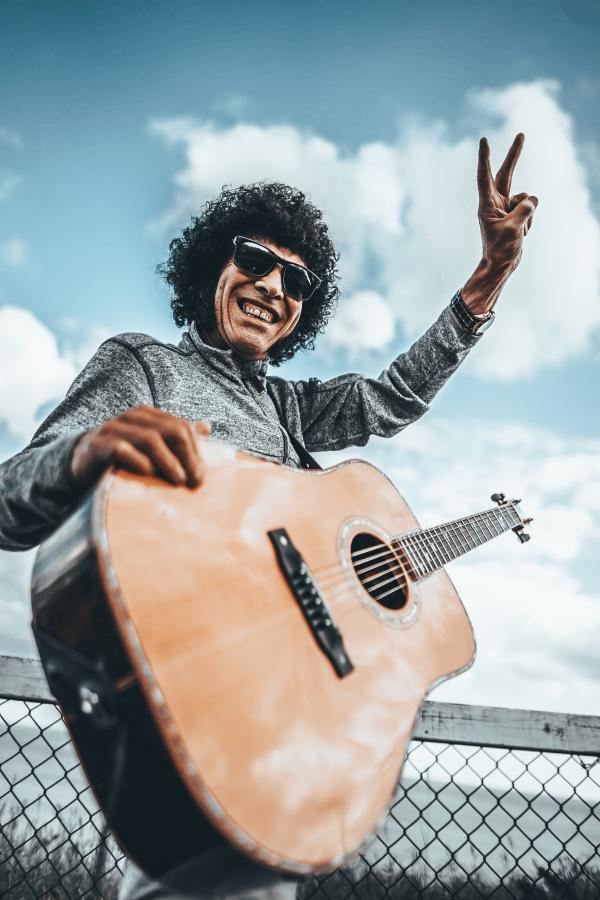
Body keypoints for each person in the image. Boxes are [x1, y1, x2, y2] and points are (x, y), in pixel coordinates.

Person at [0, 135, 537, 898]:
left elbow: (391, 398)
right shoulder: (146, 367)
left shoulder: (288, 408)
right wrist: (82, 452)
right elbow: (6, 505)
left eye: (296, 278)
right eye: (254, 258)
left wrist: (489, 277)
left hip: (288, 724)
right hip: (195, 699)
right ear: (211, 268)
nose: (274, 284)